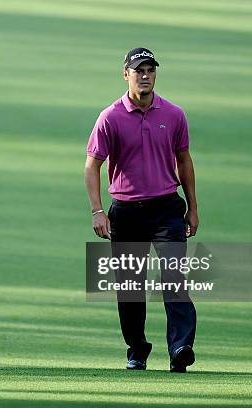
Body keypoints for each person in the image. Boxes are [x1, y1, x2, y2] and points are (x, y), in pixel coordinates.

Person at [84, 47, 198, 372]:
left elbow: (184, 160)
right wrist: (97, 210)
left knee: (174, 278)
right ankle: (137, 349)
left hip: (167, 210)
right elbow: (92, 166)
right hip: (127, 212)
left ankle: (180, 347)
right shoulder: (110, 117)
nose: (145, 75)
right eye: (139, 70)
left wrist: (192, 207)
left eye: (150, 70)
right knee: (131, 288)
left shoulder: (174, 114)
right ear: (126, 75)